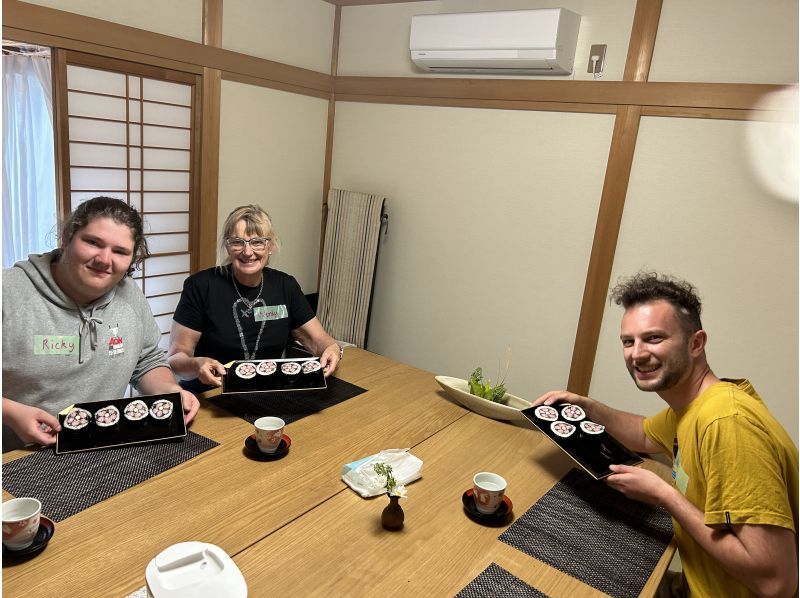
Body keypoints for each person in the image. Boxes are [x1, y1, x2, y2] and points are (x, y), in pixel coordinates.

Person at [534, 272, 797, 598]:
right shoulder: (694, 406)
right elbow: (644, 436)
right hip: (692, 582)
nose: (637, 354)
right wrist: (588, 407)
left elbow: (778, 583)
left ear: (696, 343)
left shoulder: (727, 423)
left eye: (654, 338)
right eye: (628, 342)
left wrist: (665, 495)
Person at [2, 196, 200, 452]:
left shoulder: (129, 294)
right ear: (66, 237)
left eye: (120, 252)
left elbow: (147, 361)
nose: (105, 260)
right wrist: (8, 412)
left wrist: (170, 391)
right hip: (17, 457)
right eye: (93, 242)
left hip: (106, 445)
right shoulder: (9, 291)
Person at [168, 204, 341, 392]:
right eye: (237, 242)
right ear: (227, 245)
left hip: (269, 391)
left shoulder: (285, 286)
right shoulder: (200, 286)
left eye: (257, 242)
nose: (248, 252)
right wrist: (196, 365)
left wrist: (331, 349)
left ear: (271, 246)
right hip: (210, 393)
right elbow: (176, 359)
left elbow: (318, 340)